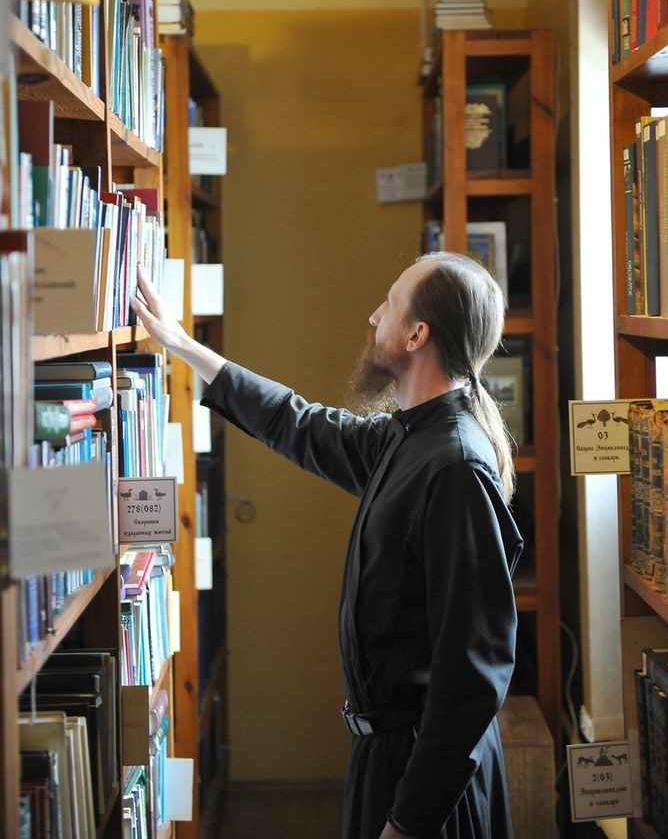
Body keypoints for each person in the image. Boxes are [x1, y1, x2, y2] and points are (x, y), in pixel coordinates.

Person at [131, 251, 523, 839]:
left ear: (417, 335)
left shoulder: (454, 466)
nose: (374, 316)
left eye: (389, 304)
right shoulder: (411, 436)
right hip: (389, 760)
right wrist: (183, 346)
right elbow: (300, 423)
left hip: (424, 785)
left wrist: (409, 821)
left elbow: (473, 676)